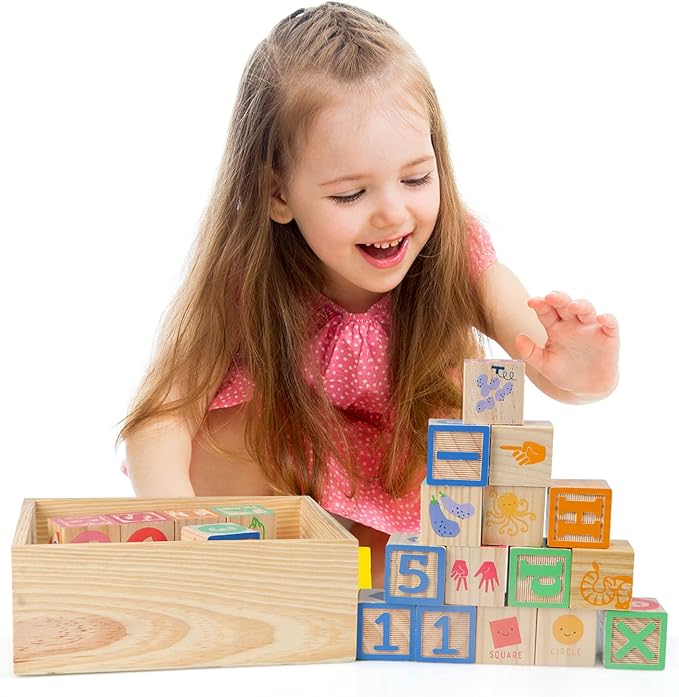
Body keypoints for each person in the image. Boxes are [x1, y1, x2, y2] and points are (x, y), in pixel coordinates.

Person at [116, 2, 620, 587]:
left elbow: (541, 358)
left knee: (433, 544)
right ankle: (273, 580)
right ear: (278, 194)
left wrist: (584, 372)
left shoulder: (455, 250)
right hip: (291, 470)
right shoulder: (244, 278)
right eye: (350, 194)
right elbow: (161, 416)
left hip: (408, 478)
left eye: (416, 178)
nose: (392, 214)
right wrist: (180, 523)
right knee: (218, 446)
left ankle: (361, 592)